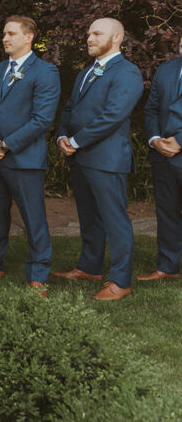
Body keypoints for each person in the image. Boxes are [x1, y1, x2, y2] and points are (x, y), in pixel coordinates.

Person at [0, 16, 60, 295]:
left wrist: (5, 146)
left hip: (24, 159)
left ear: (28, 37)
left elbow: (42, 120)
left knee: (33, 217)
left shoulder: (45, 71)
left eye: (11, 33)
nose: (5, 38)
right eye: (4, 33)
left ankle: (39, 272)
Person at [54, 18, 143, 300]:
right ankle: (89, 267)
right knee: (89, 217)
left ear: (116, 37)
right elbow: (70, 109)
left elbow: (113, 115)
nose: (89, 38)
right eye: (88, 33)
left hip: (106, 159)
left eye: (96, 33)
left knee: (114, 220)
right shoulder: (86, 73)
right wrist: (62, 137)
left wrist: (77, 141)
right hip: (80, 157)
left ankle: (120, 281)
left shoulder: (127, 73)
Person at [138, 32, 182, 281]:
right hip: (163, 155)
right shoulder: (166, 69)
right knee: (167, 213)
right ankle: (168, 267)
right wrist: (155, 139)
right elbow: (152, 108)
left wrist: (180, 141)